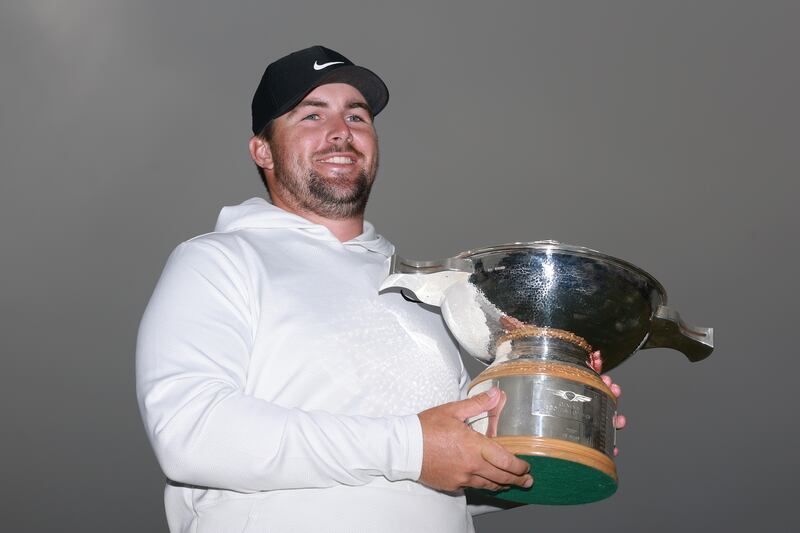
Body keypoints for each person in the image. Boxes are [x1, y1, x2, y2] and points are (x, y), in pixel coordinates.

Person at [136, 45, 624, 533]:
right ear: (262, 149)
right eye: (311, 115)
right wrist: (411, 447)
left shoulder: (423, 298)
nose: (340, 132)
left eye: (356, 115)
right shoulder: (218, 260)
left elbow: (441, 473)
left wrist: (542, 430)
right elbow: (191, 432)